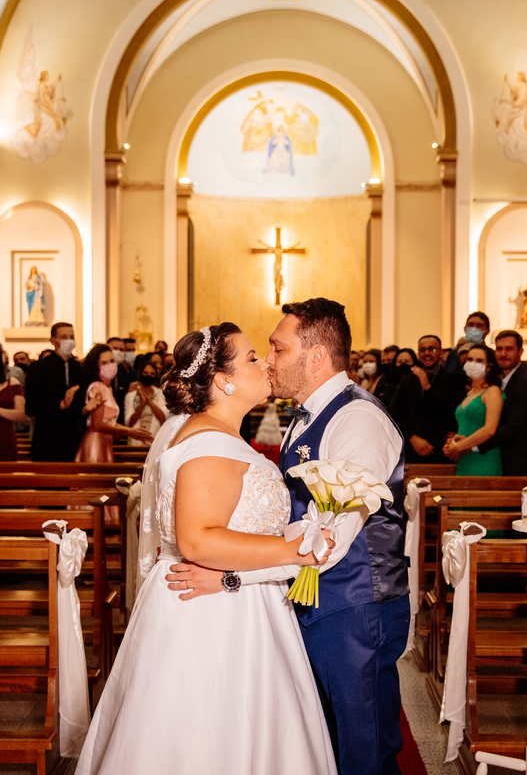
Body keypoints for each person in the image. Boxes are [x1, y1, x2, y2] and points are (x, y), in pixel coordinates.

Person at [77, 324, 337, 775]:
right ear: (223, 381)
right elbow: (197, 538)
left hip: (233, 601)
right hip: (213, 617)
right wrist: (295, 550)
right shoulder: (210, 444)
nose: (266, 363)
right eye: (252, 357)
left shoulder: (217, 435)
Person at [170, 302, 408, 775]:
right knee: (323, 744)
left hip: (356, 607)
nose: (270, 359)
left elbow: (332, 539)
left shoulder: (358, 420)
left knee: (363, 749)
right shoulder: (305, 416)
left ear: (316, 356)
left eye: (278, 348)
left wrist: (232, 577)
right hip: (311, 599)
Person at [473, 330, 527, 476]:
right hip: (499, 458)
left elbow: (512, 426)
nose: (503, 354)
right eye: (499, 349)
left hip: (521, 464)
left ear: (520, 351)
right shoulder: (495, 380)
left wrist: (473, 445)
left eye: (509, 349)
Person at [78, 344, 154, 462]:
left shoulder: (107, 388)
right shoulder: (98, 388)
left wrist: (131, 432)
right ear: (95, 367)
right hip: (96, 442)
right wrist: (129, 431)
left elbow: (109, 422)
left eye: (112, 361)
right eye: (104, 363)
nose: (110, 365)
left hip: (105, 441)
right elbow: (97, 424)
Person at [25, 322, 89, 461]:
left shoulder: (80, 368)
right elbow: (30, 407)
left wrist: (86, 409)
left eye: (71, 337)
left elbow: (80, 406)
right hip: (47, 441)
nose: (69, 341)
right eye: (64, 337)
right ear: (53, 341)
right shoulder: (39, 368)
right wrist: (60, 404)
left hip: (74, 440)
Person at [403, 335, 467, 464]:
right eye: (423, 350)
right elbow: (395, 414)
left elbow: (453, 409)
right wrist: (411, 437)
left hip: (443, 451)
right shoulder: (407, 381)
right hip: (412, 451)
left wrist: (428, 387)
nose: (427, 353)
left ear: (441, 353)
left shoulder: (455, 380)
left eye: (432, 349)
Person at [444, 344, 503, 475]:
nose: (473, 364)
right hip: (464, 456)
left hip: (483, 457)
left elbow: (489, 429)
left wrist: (458, 446)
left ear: (489, 367)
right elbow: (467, 425)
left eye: (479, 360)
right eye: (470, 359)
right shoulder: (470, 393)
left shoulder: (492, 391)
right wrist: (453, 442)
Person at [124, 361, 168, 446]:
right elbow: (129, 423)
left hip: (155, 441)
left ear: (156, 376)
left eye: (152, 374)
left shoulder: (160, 394)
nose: (148, 376)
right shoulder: (130, 396)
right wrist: (143, 403)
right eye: (145, 373)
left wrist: (147, 399)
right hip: (134, 443)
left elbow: (163, 418)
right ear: (140, 374)